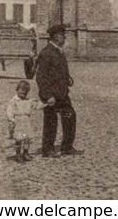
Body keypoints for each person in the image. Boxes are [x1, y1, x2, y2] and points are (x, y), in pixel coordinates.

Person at [35, 25, 81, 157]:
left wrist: (68, 79)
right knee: (51, 121)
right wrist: (47, 96)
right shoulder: (46, 52)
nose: (64, 37)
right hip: (51, 95)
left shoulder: (58, 51)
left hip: (62, 92)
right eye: (62, 34)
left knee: (70, 116)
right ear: (55, 36)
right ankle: (48, 149)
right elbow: (41, 77)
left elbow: (59, 71)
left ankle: (67, 147)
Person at [6, 79, 42, 162]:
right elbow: (9, 111)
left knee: (27, 139)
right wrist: (12, 120)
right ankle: (18, 154)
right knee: (18, 139)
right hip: (17, 122)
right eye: (21, 91)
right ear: (17, 89)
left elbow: (37, 106)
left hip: (26, 122)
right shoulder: (13, 101)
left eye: (25, 92)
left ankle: (26, 153)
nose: (23, 94)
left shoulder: (29, 101)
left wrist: (46, 103)